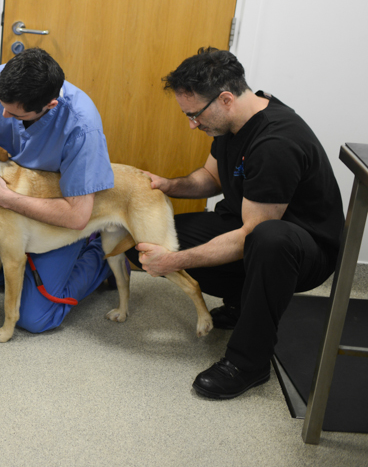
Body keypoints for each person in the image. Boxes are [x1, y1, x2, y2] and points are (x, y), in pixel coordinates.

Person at [128, 47, 343, 400]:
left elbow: (250, 236)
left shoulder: (276, 142)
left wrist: (175, 262)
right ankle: (245, 302)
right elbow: (209, 178)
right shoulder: (231, 123)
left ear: (225, 99)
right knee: (149, 244)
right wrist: (169, 185)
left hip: (302, 250)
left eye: (194, 115)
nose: (192, 124)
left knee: (268, 239)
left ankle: (249, 362)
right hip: (248, 230)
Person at [0, 47, 115, 333]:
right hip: (7, 209)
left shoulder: (82, 126)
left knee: (35, 318)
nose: (2, 114)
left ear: (50, 106)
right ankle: (33, 264)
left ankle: (99, 254)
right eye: (1, 104)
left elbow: (77, 216)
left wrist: (4, 198)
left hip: (55, 215)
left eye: (14, 113)